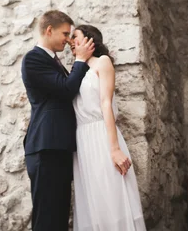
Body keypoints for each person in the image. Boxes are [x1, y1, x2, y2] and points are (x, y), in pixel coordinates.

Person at [21, 10, 94, 231]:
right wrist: (80, 59)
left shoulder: (53, 61)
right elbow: (65, 89)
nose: (68, 39)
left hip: (57, 147)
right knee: (48, 218)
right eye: (65, 33)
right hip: (45, 147)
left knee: (59, 215)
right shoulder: (33, 58)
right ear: (49, 30)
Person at [69, 25, 146, 231]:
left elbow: (105, 103)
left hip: (101, 134)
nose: (70, 42)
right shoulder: (74, 70)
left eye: (75, 37)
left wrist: (114, 148)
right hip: (82, 139)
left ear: (89, 40)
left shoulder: (102, 62)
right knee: (91, 199)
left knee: (110, 195)